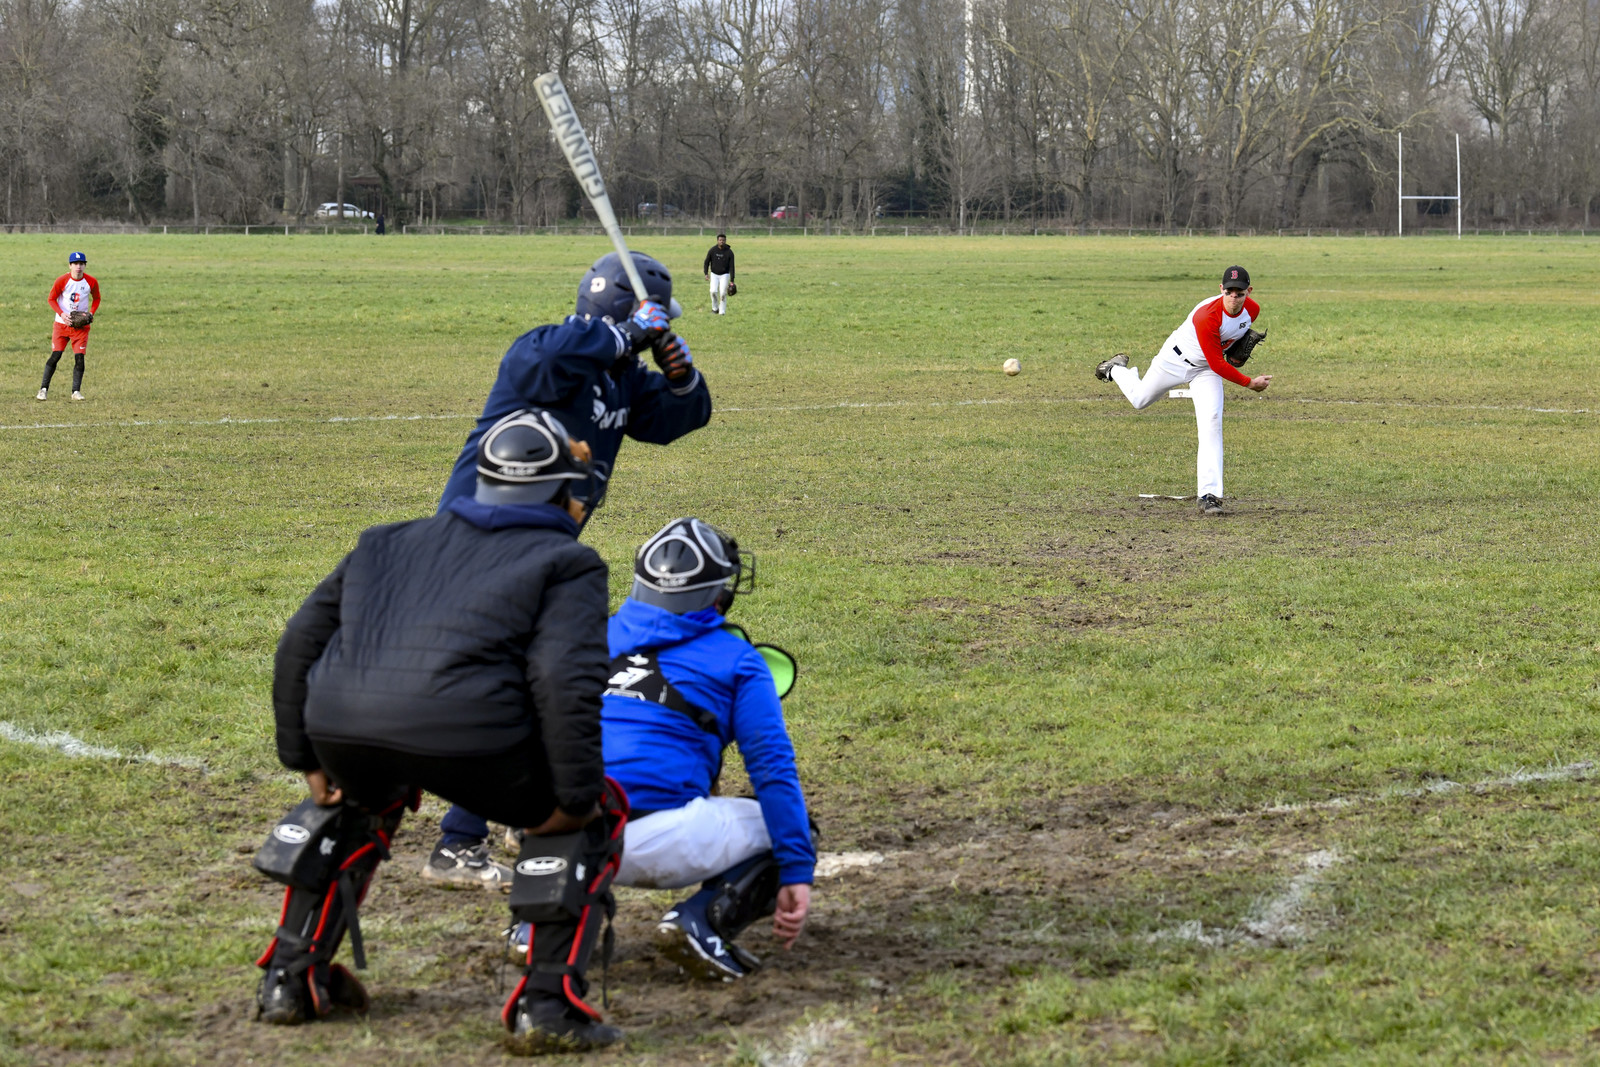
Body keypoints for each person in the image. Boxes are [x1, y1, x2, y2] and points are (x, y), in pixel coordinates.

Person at [253, 408, 629, 1054]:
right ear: (558, 491)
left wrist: (305, 758)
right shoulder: (568, 562)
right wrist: (574, 799)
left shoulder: (384, 540)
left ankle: (291, 977)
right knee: (595, 814)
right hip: (475, 738)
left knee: (355, 804)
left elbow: (298, 643)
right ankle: (546, 1003)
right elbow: (564, 681)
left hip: (344, 725)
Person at [424, 251, 712, 890]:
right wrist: (626, 334)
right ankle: (457, 842)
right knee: (515, 682)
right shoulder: (550, 353)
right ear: (619, 314)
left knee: (537, 678)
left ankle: (502, 813)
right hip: (481, 541)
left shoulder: (619, 378)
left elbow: (675, 422)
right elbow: (540, 358)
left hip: (540, 552)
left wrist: (682, 376)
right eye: (650, 325)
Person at [597, 517, 814, 981]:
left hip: (569, 832)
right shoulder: (738, 660)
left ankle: (544, 921)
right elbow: (772, 770)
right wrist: (797, 868)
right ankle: (699, 920)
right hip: (667, 841)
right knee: (795, 828)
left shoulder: (585, 635)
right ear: (717, 593)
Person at [1093, 265, 1272, 515]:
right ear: (1221, 289)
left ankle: (1209, 495)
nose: (1234, 297)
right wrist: (1248, 382)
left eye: (1239, 292)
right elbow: (1218, 362)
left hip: (1205, 371)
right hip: (1175, 360)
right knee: (1139, 399)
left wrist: (1234, 351)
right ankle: (1115, 369)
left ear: (1248, 292)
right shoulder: (1206, 315)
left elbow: (1223, 352)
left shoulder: (1252, 311)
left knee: (1211, 421)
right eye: (1229, 291)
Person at [38, 251, 100, 401]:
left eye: (81, 264)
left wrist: (91, 313)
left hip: (80, 328)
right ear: (70, 265)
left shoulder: (91, 282)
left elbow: (97, 298)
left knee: (80, 358)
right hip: (61, 325)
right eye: (75, 264)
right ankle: (43, 389)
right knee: (56, 356)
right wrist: (62, 314)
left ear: (85, 265)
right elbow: (51, 299)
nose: (78, 267)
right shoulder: (62, 280)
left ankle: (76, 391)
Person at [703, 233, 735, 315]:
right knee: (713, 291)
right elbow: (706, 262)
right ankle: (715, 309)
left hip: (724, 275)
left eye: (723, 240)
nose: (722, 242)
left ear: (725, 241)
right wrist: (706, 273)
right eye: (720, 240)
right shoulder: (712, 250)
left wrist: (732, 280)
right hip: (714, 274)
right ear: (717, 241)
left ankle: (722, 312)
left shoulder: (729, 252)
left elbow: (732, 266)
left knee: (723, 293)